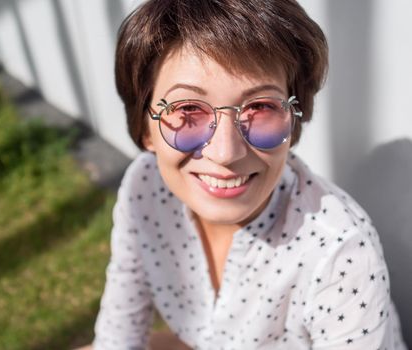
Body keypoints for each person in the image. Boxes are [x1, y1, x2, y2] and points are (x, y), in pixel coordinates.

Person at [91, 0, 407, 349]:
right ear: (145, 127)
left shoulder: (341, 251)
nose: (226, 153)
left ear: (293, 119)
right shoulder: (144, 186)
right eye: (188, 110)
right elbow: (118, 334)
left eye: (260, 107)